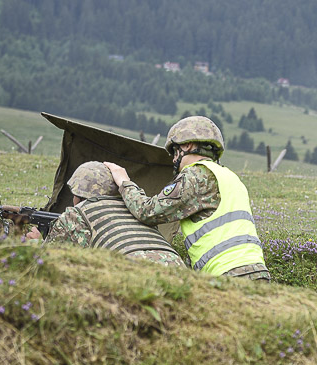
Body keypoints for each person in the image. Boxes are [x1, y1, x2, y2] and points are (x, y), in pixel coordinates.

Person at [103, 116, 270, 281]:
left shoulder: (196, 175)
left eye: (174, 152)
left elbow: (147, 212)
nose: (174, 159)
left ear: (187, 145)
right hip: (257, 273)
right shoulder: (230, 177)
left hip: (227, 275)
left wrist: (124, 182)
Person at [26, 161, 185, 267]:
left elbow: (50, 263)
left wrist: (36, 243)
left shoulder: (77, 214)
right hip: (178, 268)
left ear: (77, 195)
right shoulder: (136, 209)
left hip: (131, 272)